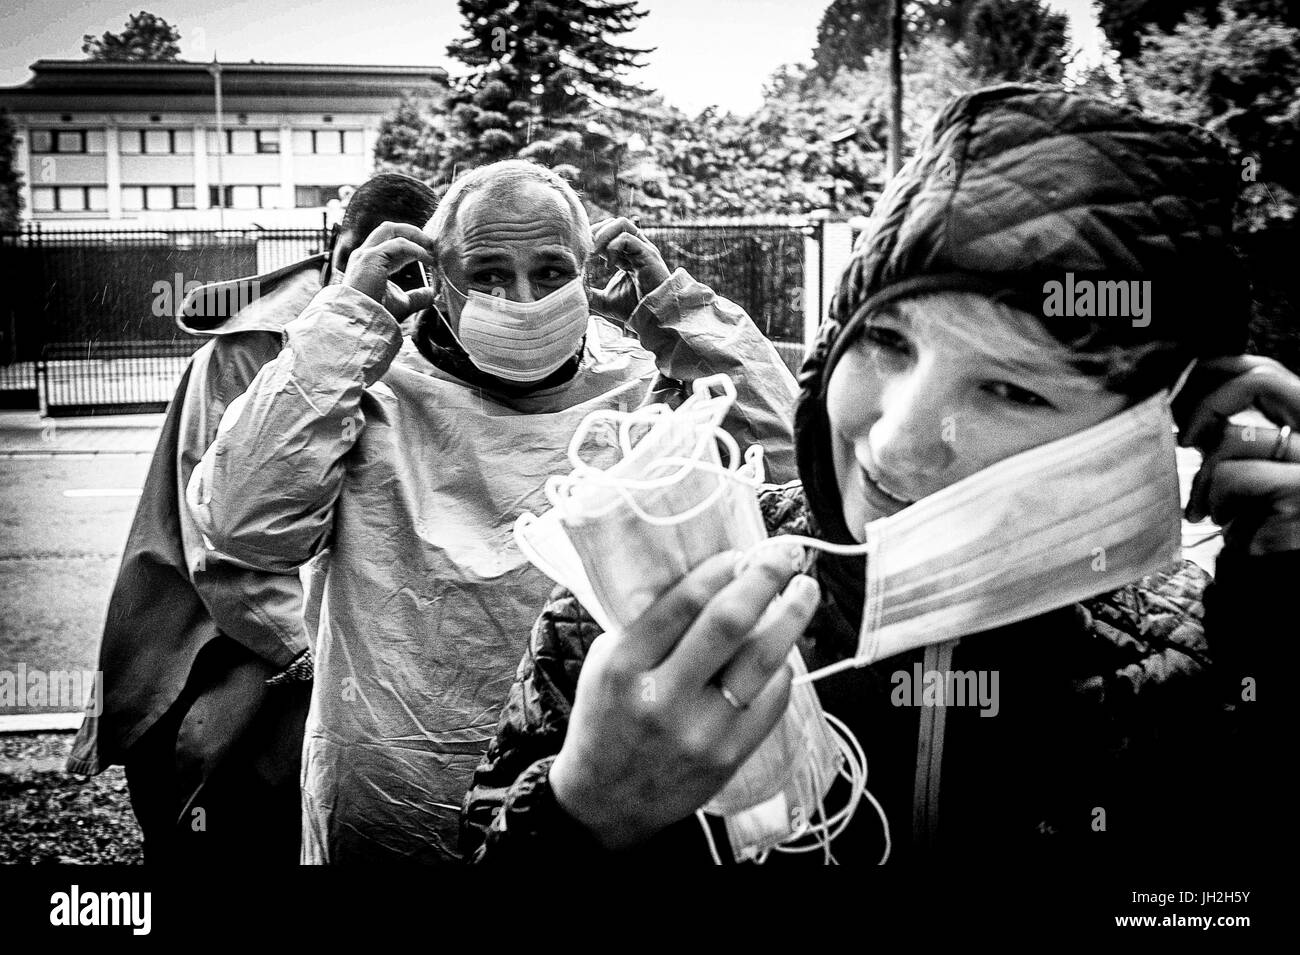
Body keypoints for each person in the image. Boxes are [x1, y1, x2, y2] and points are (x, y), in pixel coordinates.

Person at [462, 86, 1295, 864]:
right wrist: (579, 817)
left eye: (1010, 387)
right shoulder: (649, 591)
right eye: (888, 343)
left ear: (1138, 429)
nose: (895, 445)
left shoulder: (1202, 657)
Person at [185, 159, 800, 863]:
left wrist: (681, 313)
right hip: (391, 820)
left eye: (549, 272)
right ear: (437, 283)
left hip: (595, 813)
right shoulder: (365, 394)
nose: (523, 298)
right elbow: (241, 520)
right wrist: (342, 330)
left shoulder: (640, 394)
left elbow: (793, 470)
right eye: (487, 274)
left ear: (587, 274)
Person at [67, 173, 439, 864]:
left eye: (414, 269)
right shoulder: (253, 347)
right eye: (368, 257)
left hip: (302, 637)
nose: (390, 286)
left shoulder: (418, 344)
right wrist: (340, 661)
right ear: (336, 249)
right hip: (209, 648)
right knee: (229, 817)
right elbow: (231, 557)